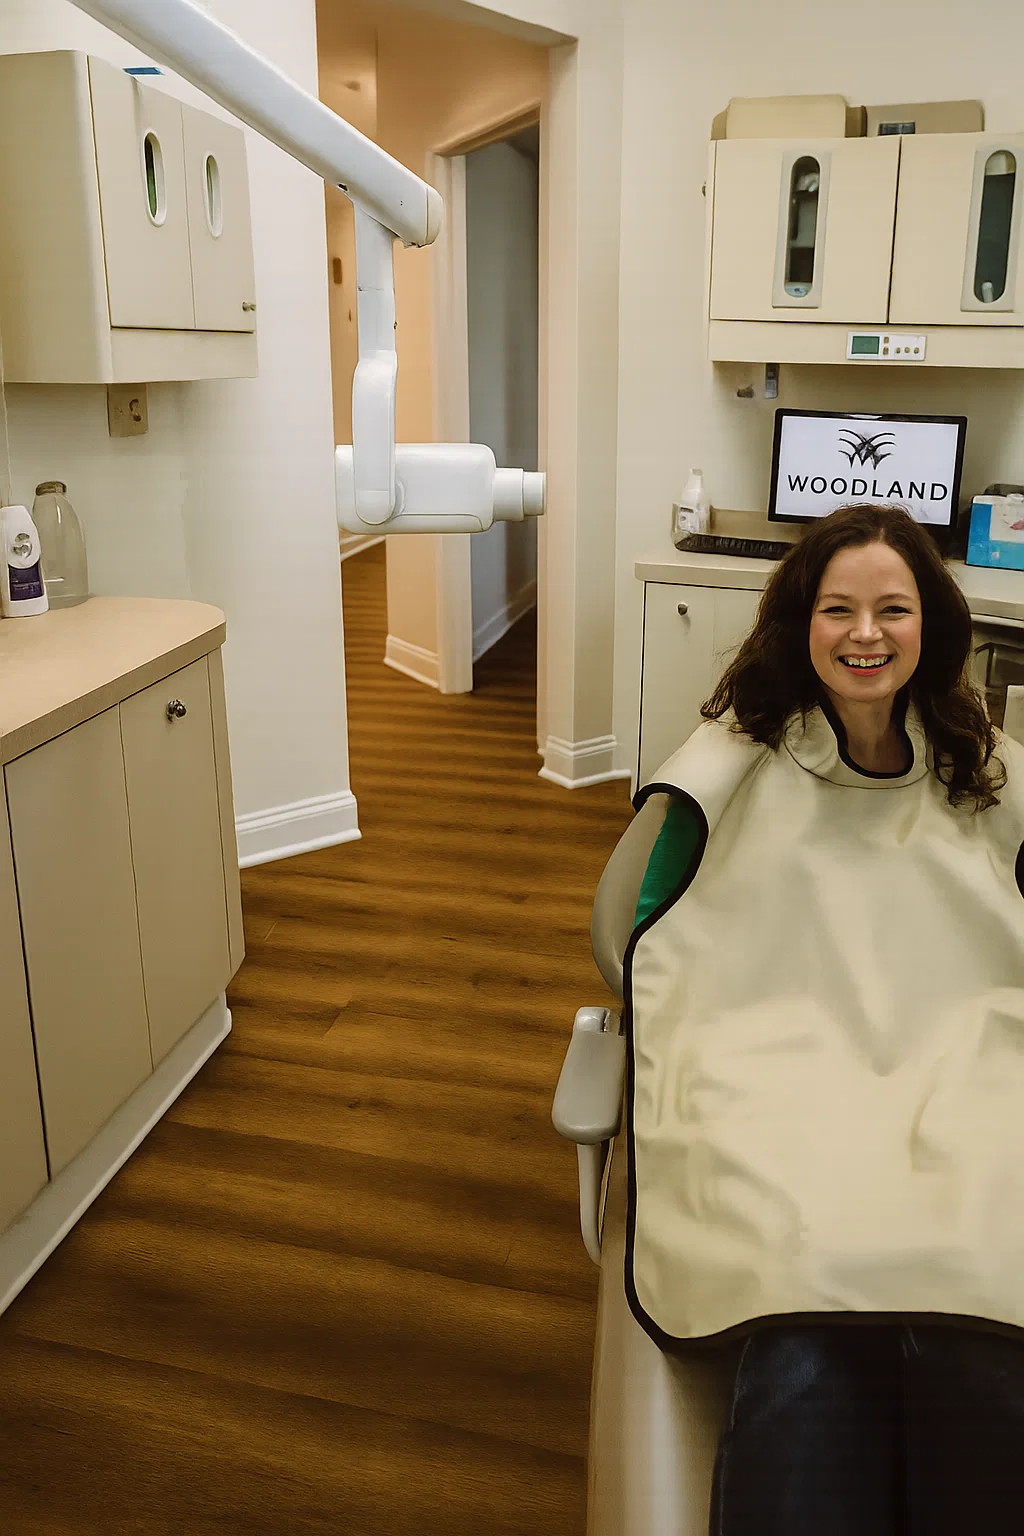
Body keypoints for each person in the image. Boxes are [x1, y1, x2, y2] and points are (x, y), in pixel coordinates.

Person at [624, 504, 1024, 1535]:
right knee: (802, 1332)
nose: (864, 634)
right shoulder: (730, 767)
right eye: (838, 609)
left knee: (978, 1331)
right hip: (777, 1087)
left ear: (929, 624)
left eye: (892, 609)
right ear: (799, 622)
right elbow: (648, 933)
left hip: (957, 1082)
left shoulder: (980, 766)